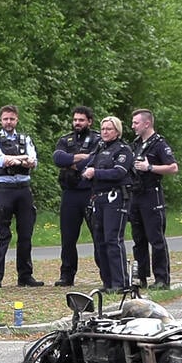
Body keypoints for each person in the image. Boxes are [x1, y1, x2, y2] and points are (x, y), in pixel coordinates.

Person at [0, 105, 43, 288]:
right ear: (0, 121)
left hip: (23, 189)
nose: (8, 122)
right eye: (5, 119)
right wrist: (20, 159)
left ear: (17, 119)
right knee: (3, 233)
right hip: (4, 188)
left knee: (26, 233)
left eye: (12, 119)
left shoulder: (25, 139)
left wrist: (20, 159)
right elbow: (1, 160)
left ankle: (25, 276)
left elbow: (33, 162)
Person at [81, 116, 134, 292]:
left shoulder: (123, 150)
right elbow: (87, 167)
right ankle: (107, 281)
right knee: (100, 240)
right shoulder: (99, 148)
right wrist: (89, 172)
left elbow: (119, 172)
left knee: (113, 239)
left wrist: (96, 172)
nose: (104, 132)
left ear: (117, 131)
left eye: (109, 129)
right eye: (103, 129)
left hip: (115, 197)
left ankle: (120, 283)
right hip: (98, 197)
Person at [52, 106, 101, 287]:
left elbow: (94, 160)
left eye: (81, 120)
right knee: (68, 237)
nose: (77, 123)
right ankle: (67, 275)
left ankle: (106, 272)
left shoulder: (98, 139)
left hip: (90, 192)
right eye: (75, 120)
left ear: (89, 121)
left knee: (98, 234)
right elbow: (57, 158)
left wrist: (73, 162)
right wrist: (79, 157)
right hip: (70, 193)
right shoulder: (66, 139)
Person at [129, 109, 178, 289]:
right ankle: (141, 276)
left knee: (155, 238)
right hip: (136, 193)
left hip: (151, 194)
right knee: (138, 238)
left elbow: (173, 168)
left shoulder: (159, 144)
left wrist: (150, 167)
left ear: (147, 123)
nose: (133, 126)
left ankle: (162, 279)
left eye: (136, 123)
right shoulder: (136, 144)